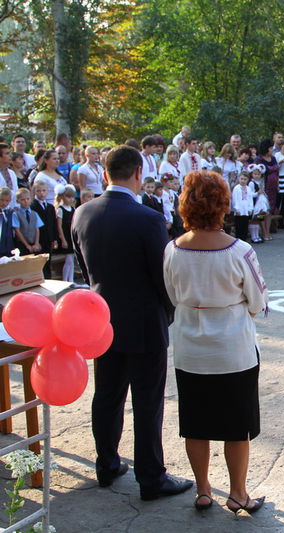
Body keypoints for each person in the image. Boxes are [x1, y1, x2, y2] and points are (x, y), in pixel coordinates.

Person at [72, 145, 192, 500]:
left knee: (106, 396)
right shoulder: (148, 218)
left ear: (105, 174)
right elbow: (163, 276)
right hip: (143, 322)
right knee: (147, 402)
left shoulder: (82, 213)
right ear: (139, 173)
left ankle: (107, 465)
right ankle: (151, 478)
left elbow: (85, 267)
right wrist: (168, 312)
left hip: (101, 321)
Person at [162, 170, 267, 514]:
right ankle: (238, 493)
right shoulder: (241, 251)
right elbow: (257, 301)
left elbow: (173, 294)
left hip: (190, 349)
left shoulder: (173, 249)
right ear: (223, 204)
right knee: (237, 427)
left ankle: (204, 490)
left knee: (196, 422)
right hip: (233, 350)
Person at [31, 181, 57, 278]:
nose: (41, 193)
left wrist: (54, 239)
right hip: (39, 238)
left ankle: (48, 278)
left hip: (48, 238)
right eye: (38, 191)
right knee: (39, 263)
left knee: (48, 261)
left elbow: (53, 224)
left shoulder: (50, 207)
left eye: (44, 190)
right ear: (34, 192)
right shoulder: (33, 206)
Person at [54, 184, 77, 282]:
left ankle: (70, 280)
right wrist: (63, 239)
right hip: (65, 236)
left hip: (71, 235)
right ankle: (65, 280)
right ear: (62, 197)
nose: (71, 199)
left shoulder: (72, 209)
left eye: (72, 197)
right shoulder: (60, 209)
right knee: (68, 260)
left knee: (71, 260)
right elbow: (59, 226)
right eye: (68, 197)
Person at [12, 188, 43, 255]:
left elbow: (37, 229)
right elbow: (17, 231)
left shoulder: (34, 214)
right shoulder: (16, 214)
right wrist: (26, 245)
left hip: (33, 243)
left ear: (31, 199)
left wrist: (36, 243)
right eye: (22, 200)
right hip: (22, 244)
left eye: (27, 199)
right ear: (18, 201)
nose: (25, 201)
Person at [231, 172, 254, 241]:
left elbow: (250, 199)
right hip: (239, 210)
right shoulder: (237, 188)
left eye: (245, 179)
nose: (243, 181)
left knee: (245, 225)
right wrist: (236, 209)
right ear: (239, 179)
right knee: (239, 226)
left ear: (248, 180)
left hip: (246, 210)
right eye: (241, 179)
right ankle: (239, 240)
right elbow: (235, 199)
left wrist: (250, 209)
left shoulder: (248, 188)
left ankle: (244, 239)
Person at [0, 143, 18, 208]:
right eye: (7, 153)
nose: (10, 156)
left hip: (13, 210)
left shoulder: (12, 173)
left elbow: (16, 192)